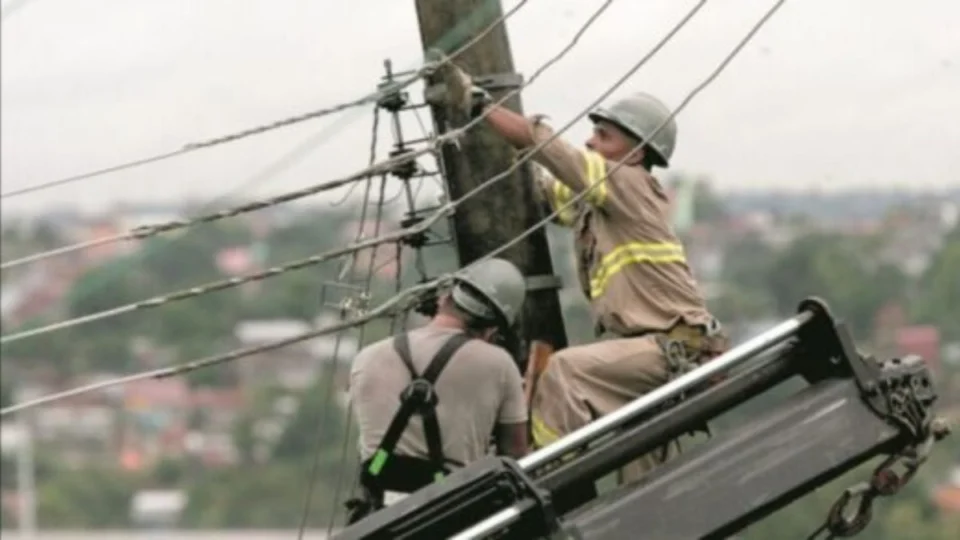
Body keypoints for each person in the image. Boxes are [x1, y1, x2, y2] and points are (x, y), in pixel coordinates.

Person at [433, 57, 730, 496]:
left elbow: (547, 147)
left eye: (603, 136)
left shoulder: (627, 183)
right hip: (651, 352)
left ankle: (550, 485)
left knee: (565, 373)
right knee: (641, 469)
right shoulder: (601, 202)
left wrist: (479, 104)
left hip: (668, 348)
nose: (590, 143)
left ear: (635, 152)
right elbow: (550, 191)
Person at [345, 257, 530, 523]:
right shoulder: (498, 364)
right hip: (450, 512)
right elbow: (515, 455)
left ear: (444, 299)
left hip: (379, 517)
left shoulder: (367, 357)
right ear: (493, 329)